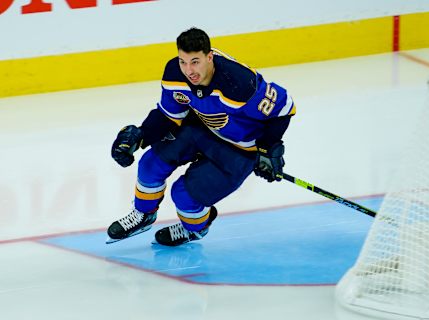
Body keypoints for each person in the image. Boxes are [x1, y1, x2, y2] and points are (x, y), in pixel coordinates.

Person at [107, 27, 296, 246]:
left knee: (184, 195)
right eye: (183, 61)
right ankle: (143, 214)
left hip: (238, 150)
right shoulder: (175, 74)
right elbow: (170, 116)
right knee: (151, 164)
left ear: (209, 57)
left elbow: (284, 109)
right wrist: (140, 136)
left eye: (195, 62)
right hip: (202, 127)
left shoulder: (240, 84)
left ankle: (196, 228)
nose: (189, 71)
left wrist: (268, 148)